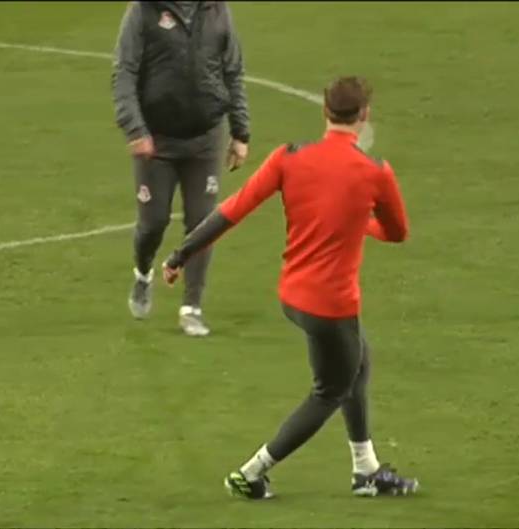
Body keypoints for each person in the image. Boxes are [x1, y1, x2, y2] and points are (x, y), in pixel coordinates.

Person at [161, 76, 418, 499]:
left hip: (293, 296)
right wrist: (360, 224)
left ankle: (365, 470)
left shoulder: (289, 157)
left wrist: (179, 255)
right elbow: (397, 232)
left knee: (359, 360)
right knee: (330, 390)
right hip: (333, 305)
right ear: (364, 116)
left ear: (324, 112)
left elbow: (233, 209)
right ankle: (251, 472)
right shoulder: (376, 174)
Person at [112, 1, 250, 337]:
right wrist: (135, 129)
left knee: (203, 223)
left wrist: (240, 131)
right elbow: (124, 72)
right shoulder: (143, 11)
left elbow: (232, 70)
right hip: (156, 141)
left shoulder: (217, 9)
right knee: (153, 223)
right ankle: (143, 273)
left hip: (205, 138)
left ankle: (192, 307)